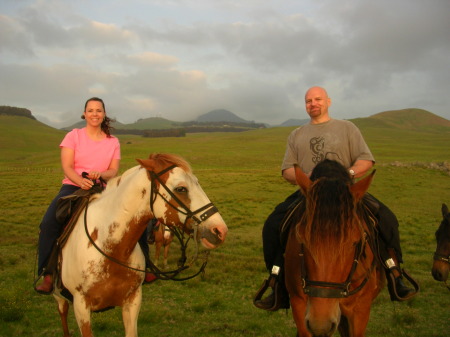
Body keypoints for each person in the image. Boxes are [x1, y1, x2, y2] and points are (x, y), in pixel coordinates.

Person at [254, 86, 418, 311]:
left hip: (345, 193)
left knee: (385, 218)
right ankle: (277, 283)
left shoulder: (347, 128)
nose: (313, 103)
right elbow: (287, 171)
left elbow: (366, 161)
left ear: (328, 102)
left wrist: (348, 173)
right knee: (274, 224)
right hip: (311, 195)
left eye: (318, 99)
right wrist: (306, 178)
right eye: (308, 101)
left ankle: (395, 274)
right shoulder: (297, 134)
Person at [34, 97, 155, 294]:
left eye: (98, 110)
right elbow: (67, 166)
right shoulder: (73, 136)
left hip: (104, 188)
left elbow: (113, 170)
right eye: (90, 110)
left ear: (104, 114)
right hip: (73, 186)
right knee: (48, 223)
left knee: (134, 217)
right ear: (84, 114)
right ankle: (47, 274)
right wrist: (79, 181)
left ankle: (146, 266)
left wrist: (102, 174)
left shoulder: (112, 141)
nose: (94, 114)